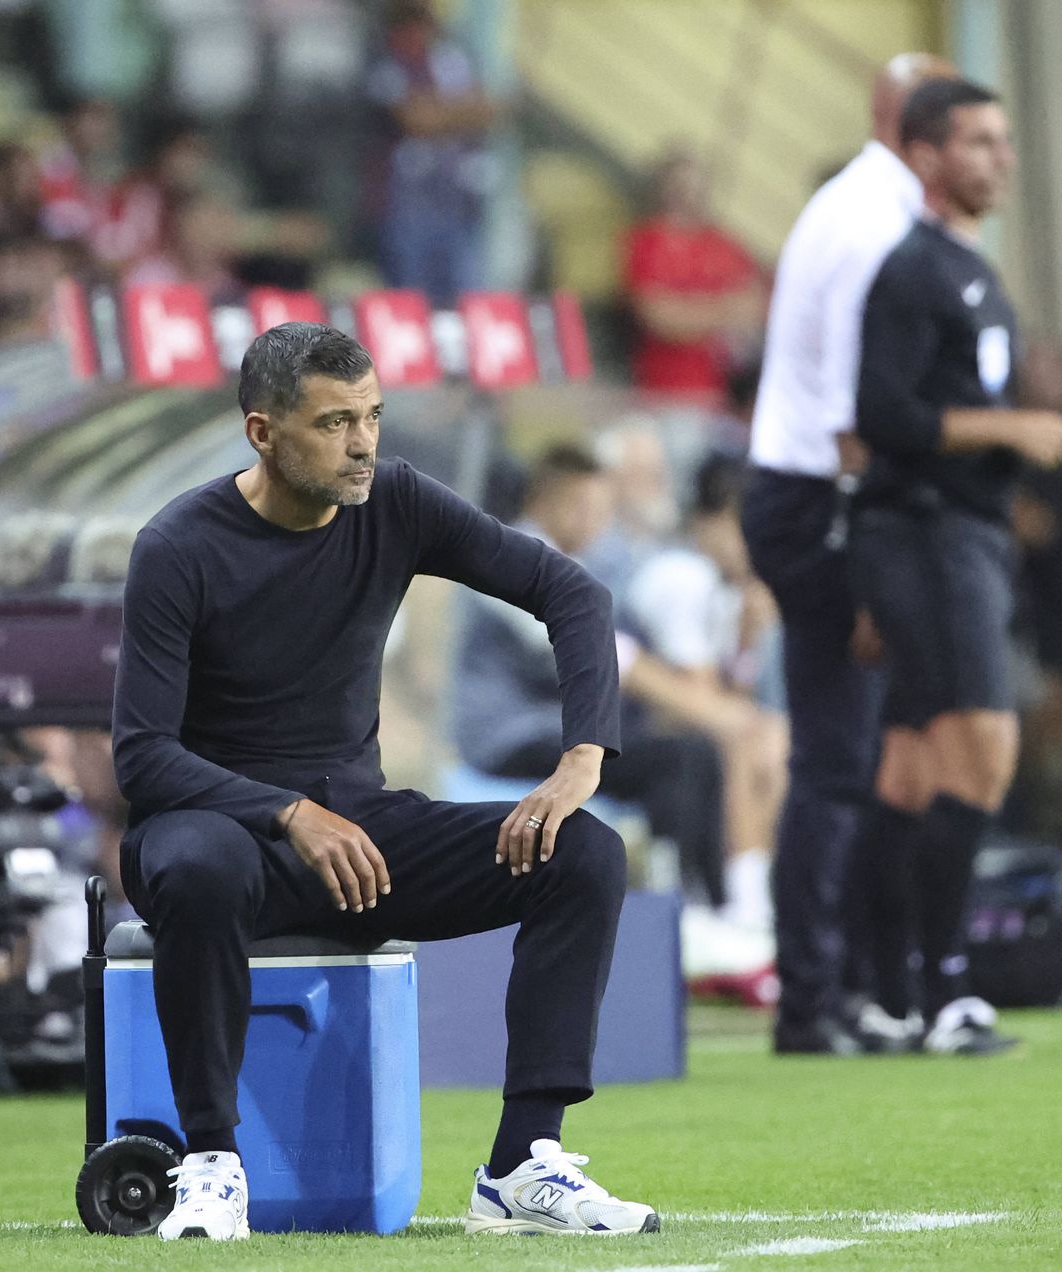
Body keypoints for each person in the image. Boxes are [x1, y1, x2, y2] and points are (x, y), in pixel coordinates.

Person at [113, 322, 656, 1241]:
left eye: (372, 416)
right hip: (217, 830)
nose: (363, 443)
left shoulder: (396, 502)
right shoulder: (178, 545)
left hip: (361, 835)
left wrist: (580, 760)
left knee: (586, 854)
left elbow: (577, 596)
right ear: (262, 432)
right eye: (333, 423)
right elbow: (142, 757)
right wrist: (288, 813)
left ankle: (521, 1164)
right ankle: (211, 1165)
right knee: (199, 864)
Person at [848, 78, 1062, 1055]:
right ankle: (947, 994)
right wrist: (1021, 428)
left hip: (961, 532)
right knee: (984, 752)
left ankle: (886, 991)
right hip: (927, 533)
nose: (1002, 157)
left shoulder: (969, 270)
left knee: (911, 773)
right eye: (981, 142)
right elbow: (887, 416)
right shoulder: (909, 271)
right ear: (928, 156)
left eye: (1005, 139)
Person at [739, 53, 956, 1056]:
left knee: (858, 754)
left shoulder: (858, 205)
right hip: (825, 499)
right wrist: (875, 558)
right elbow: (849, 409)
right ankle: (814, 1001)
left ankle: (850, 988)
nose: (988, 150)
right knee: (836, 757)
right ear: (921, 128)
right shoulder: (873, 223)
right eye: (975, 133)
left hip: (813, 494)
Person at [450, 444, 725, 915]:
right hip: (508, 737)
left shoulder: (575, 563)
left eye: (603, 510)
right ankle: (684, 903)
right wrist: (715, 713)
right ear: (545, 502)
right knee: (677, 757)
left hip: (561, 732)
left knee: (691, 753)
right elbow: (589, 651)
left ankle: (700, 900)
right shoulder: (507, 559)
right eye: (584, 507)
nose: (596, 522)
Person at [626, 453, 786, 932]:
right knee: (751, 734)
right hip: (619, 723)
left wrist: (747, 639)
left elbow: (728, 694)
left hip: (675, 724)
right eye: (742, 524)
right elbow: (705, 700)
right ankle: (747, 904)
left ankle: (761, 890)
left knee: (773, 736)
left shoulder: (730, 593)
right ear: (707, 523)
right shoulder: (682, 576)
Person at [365, 0, 496, 306]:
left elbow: (488, 110)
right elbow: (417, 120)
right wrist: (458, 112)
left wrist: (439, 111)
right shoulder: (386, 62)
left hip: (457, 200)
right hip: (405, 205)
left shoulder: (451, 59)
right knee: (412, 304)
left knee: (466, 303)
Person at [622, 149, 764, 405]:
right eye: (680, 185)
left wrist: (695, 309)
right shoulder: (647, 242)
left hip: (731, 392)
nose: (689, 193)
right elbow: (661, 318)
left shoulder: (722, 242)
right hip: (670, 391)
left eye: (697, 184)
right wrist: (723, 310)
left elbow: (755, 305)